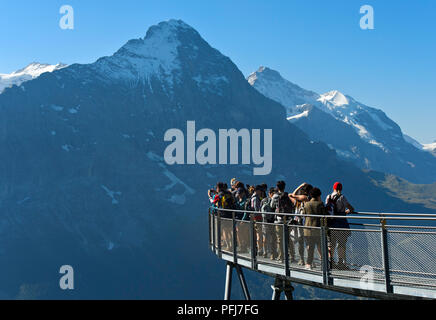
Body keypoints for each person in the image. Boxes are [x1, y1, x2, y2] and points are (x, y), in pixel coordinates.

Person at [325, 182, 355, 270]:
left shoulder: (328, 197)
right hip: (341, 223)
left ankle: (331, 261)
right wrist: (346, 211)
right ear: (341, 188)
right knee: (341, 243)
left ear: (333, 188)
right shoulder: (342, 197)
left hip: (331, 223)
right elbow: (351, 208)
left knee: (331, 242)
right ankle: (340, 262)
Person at [288, 183, 313, 265]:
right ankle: (309, 261)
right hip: (306, 224)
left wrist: (300, 186)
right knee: (308, 243)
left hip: (298, 224)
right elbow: (291, 195)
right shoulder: (308, 200)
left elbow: (291, 195)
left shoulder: (299, 202)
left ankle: (302, 259)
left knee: (301, 243)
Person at [270, 181, 294, 262]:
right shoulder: (287, 195)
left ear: (277, 187)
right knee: (288, 238)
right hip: (287, 219)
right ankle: (292, 256)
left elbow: (271, 205)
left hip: (279, 220)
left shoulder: (275, 196)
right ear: (284, 187)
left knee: (279, 239)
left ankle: (281, 257)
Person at [303, 187, 326, 270]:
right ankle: (324, 263)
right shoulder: (320, 204)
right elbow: (324, 215)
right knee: (321, 246)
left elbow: (304, 214)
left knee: (310, 247)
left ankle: (308, 264)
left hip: (307, 229)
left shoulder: (306, 204)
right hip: (317, 229)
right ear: (318, 195)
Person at [261, 187, 276, 259]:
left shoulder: (265, 200)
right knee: (270, 238)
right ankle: (268, 252)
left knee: (268, 238)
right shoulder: (266, 200)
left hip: (267, 222)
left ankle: (268, 252)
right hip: (269, 222)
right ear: (269, 193)